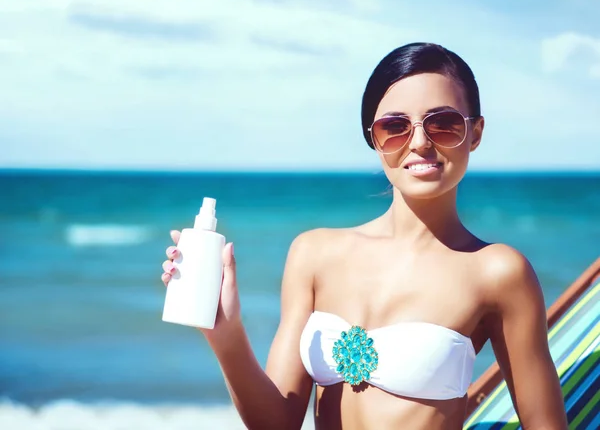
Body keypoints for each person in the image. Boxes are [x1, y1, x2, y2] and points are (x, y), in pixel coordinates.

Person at [160, 42, 568, 429]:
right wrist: (226, 335)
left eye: (442, 123)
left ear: (475, 133)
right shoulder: (313, 254)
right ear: (374, 138)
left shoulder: (498, 273)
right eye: (395, 126)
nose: (420, 143)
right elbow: (276, 422)